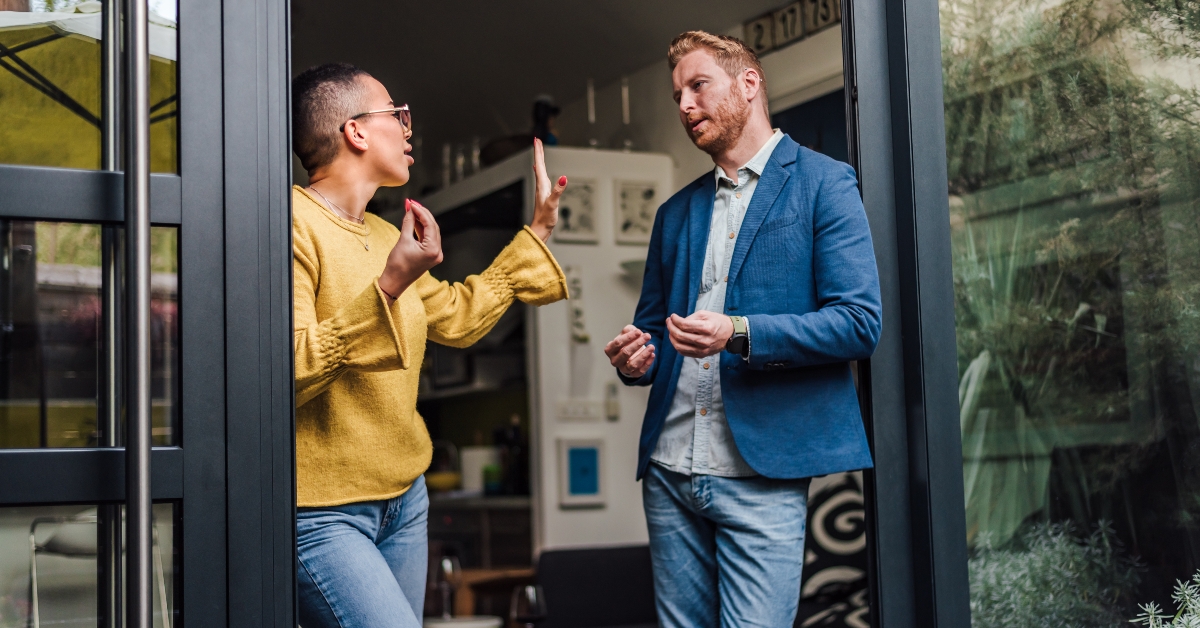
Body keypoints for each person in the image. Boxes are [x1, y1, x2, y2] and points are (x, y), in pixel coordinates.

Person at [603, 31, 882, 627]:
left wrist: (738, 332)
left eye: (698, 86)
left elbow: (859, 324)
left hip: (763, 475)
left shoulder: (825, 183)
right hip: (671, 471)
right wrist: (637, 357)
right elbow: (653, 330)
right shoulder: (674, 213)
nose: (684, 105)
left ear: (748, 84)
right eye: (678, 94)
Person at [290, 63, 568, 628]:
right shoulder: (289, 224)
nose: (409, 129)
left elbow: (460, 317)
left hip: (406, 502)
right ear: (356, 131)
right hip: (321, 514)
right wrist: (389, 285)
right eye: (398, 114)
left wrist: (535, 234)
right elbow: (284, 370)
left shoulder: (385, 234)